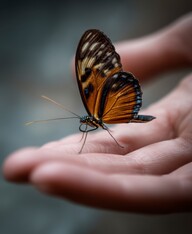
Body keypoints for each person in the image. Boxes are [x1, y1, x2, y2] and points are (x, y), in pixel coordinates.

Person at [3, 13, 192, 214]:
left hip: (118, 97)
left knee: (96, 112)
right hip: (115, 107)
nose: (85, 122)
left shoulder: (95, 112)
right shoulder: (94, 117)